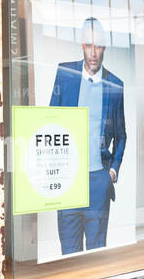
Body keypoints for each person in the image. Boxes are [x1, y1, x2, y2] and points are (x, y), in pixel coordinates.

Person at [50, 17, 127, 255]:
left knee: (96, 256)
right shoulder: (65, 74)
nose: (93, 53)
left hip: (98, 183)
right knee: (69, 255)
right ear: (81, 45)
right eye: (88, 45)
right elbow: (50, 124)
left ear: (105, 47)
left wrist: (112, 171)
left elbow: (121, 135)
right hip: (68, 181)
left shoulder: (115, 85)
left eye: (98, 46)